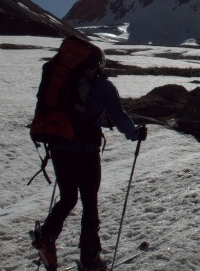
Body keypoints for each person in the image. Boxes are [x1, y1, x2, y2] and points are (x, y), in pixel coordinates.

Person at [30, 48, 145, 271]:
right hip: (86, 152)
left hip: (59, 148)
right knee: (89, 203)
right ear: (99, 63)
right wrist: (135, 133)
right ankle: (90, 259)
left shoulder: (64, 81)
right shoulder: (103, 86)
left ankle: (47, 236)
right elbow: (119, 116)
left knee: (68, 197)